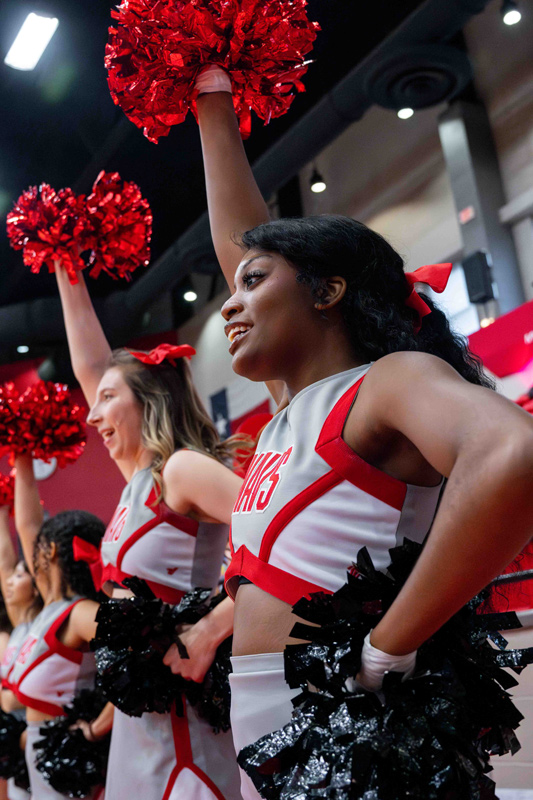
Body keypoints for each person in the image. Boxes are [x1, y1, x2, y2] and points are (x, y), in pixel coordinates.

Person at [192, 71, 533, 799]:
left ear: (327, 290)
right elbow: (241, 246)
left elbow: (512, 453)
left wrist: (388, 643)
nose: (230, 305)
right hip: (267, 722)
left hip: (351, 721)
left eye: (254, 283)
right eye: (232, 287)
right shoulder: (294, 408)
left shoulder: (386, 381)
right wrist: (210, 96)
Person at [54, 263, 244, 800]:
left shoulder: (180, 470)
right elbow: (92, 366)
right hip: (144, 717)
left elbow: (283, 538)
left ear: (149, 400)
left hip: (185, 713)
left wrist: (211, 629)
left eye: (109, 398)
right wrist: (64, 260)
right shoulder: (137, 483)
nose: (93, 416)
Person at [8, 453, 105, 800]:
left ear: (49, 552)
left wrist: (97, 726)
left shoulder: (80, 612)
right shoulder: (52, 604)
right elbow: (27, 525)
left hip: (66, 751)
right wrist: (21, 458)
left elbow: (139, 651)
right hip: (39, 745)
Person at [0, 489, 43, 800]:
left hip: (40, 738)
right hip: (17, 744)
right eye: (11, 577)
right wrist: (2, 512)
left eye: (20, 575)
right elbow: (4, 563)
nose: (10, 581)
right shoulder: (18, 623)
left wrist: (14, 699)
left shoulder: (46, 619)